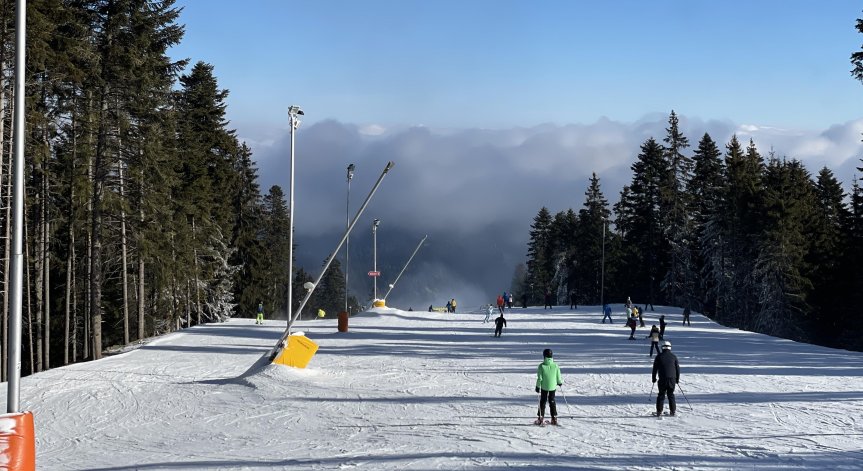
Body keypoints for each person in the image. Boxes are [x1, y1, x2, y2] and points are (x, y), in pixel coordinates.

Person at [652, 340, 680, 416]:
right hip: (672, 379)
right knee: (671, 394)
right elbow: (677, 369)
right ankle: (673, 411)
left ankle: (659, 411)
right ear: (670, 348)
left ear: (662, 348)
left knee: (661, 394)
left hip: (662, 379)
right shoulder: (674, 357)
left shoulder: (659, 357)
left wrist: (653, 378)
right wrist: (677, 379)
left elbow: (655, 368)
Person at [535, 348, 563, 425]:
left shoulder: (541, 366)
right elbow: (558, 376)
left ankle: (541, 417)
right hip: (552, 387)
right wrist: (559, 382)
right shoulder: (555, 366)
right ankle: (554, 417)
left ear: (544, 356)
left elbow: (540, 378)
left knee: (543, 401)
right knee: (552, 401)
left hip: (544, 386)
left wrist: (537, 386)